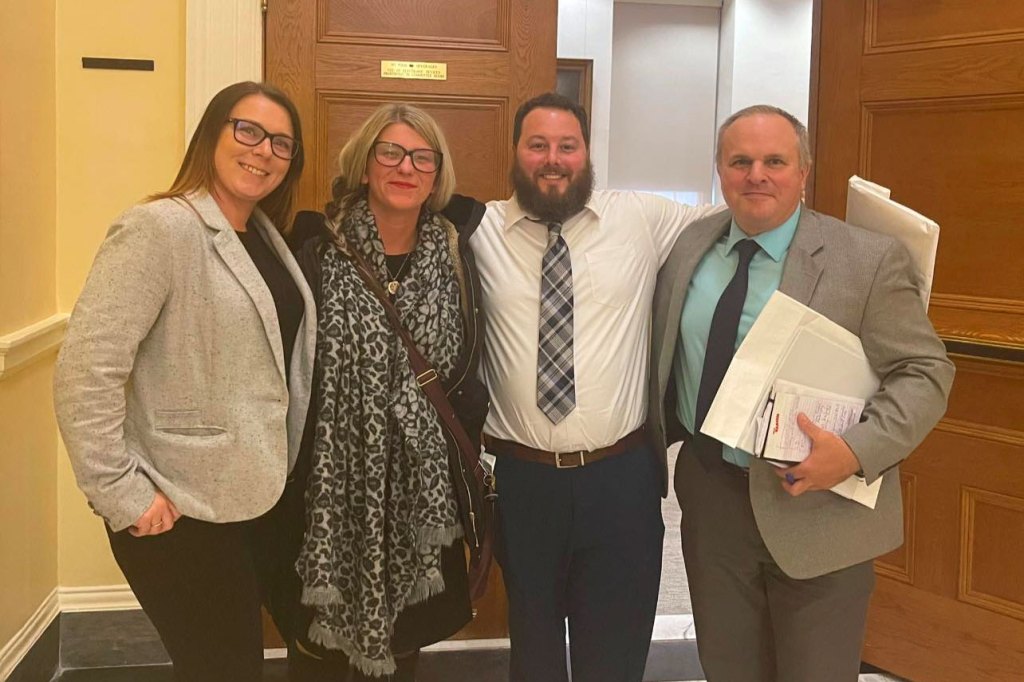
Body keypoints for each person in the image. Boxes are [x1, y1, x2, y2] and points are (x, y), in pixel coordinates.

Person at [647, 104, 955, 681]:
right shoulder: (690, 249)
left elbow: (925, 371)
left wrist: (858, 451)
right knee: (729, 666)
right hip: (712, 499)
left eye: (774, 161)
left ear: (804, 171)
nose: (755, 174)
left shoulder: (865, 260)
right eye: (740, 161)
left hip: (820, 505)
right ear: (720, 170)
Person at [443, 92, 718, 682]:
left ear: (587, 153)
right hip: (521, 482)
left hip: (620, 478)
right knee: (534, 650)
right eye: (537, 145)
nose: (553, 159)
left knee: (615, 652)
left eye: (567, 146)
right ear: (515, 152)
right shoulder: (477, 228)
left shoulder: (642, 217)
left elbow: (738, 221)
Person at [53, 81, 316, 681]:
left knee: (286, 653)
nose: (264, 151)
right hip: (181, 510)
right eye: (247, 130)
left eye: (282, 142)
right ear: (211, 135)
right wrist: (121, 493)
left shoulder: (267, 237)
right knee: (223, 670)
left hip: (260, 500)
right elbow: (85, 371)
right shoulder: (158, 229)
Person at [285, 103, 488, 681]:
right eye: (391, 152)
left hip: (425, 492)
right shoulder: (314, 251)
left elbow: (470, 368)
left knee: (407, 650)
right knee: (317, 664)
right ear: (365, 163)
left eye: (423, 157)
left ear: (437, 173)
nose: (407, 167)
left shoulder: (458, 254)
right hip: (329, 485)